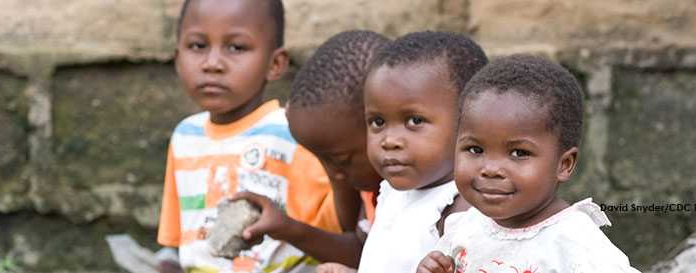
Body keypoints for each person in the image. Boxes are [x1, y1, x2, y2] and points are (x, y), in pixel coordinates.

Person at [156, 0, 340, 272]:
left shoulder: (292, 135)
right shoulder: (185, 137)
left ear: (275, 64)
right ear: (177, 57)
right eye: (198, 45)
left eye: (236, 47)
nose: (213, 63)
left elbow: (334, 231)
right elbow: (178, 242)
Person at [415, 54, 640, 273]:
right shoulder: (466, 227)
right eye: (475, 150)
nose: (491, 169)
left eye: (518, 153)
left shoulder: (574, 244)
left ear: (564, 164)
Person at [232, 30, 389, 271]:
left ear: (380, 123)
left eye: (340, 159)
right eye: (322, 160)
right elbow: (360, 248)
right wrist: (283, 227)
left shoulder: (433, 195)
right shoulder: (373, 189)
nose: (333, 174)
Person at [356, 31, 488, 273]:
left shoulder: (464, 211)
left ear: (469, 121)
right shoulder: (392, 191)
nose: (389, 140)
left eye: (414, 120)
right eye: (377, 122)